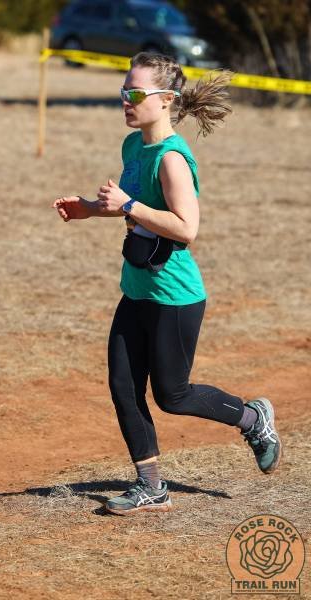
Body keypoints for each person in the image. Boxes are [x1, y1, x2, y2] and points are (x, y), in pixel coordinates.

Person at [53, 52, 281, 516]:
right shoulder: (133, 147)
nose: (126, 100)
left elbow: (185, 227)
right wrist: (89, 209)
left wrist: (128, 205)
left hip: (175, 296)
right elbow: (133, 206)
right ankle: (151, 486)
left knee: (173, 395)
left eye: (135, 93)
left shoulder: (172, 158)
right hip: (137, 287)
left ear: (167, 99)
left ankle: (252, 418)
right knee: (123, 385)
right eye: (124, 91)